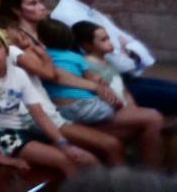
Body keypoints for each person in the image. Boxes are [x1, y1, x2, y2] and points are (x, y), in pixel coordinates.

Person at [0, 0, 124, 162]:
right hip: (36, 112)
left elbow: (65, 65)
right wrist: (94, 86)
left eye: (40, 1)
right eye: (33, 3)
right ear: (16, 10)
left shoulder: (43, 30)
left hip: (52, 104)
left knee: (120, 136)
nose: (42, 7)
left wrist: (95, 82)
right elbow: (51, 73)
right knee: (110, 144)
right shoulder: (17, 38)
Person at [0, 23, 97, 177]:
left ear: (6, 49)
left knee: (88, 159)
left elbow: (38, 113)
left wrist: (63, 144)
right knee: (65, 161)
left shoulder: (18, 73)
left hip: (26, 128)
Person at [51, 0, 176, 115]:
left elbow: (124, 38)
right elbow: (109, 55)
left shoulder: (86, 9)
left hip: (123, 76)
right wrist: (128, 56)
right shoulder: (68, 14)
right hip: (109, 84)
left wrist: (129, 51)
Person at [38, 18, 163, 166]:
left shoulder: (48, 55)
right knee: (152, 117)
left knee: (148, 120)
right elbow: (62, 77)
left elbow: (116, 87)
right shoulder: (80, 60)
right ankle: (150, 177)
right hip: (77, 112)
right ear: (86, 45)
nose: (110, 42)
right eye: (103, 39)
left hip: (83, 107)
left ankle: (146, 174)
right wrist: (104, 92)